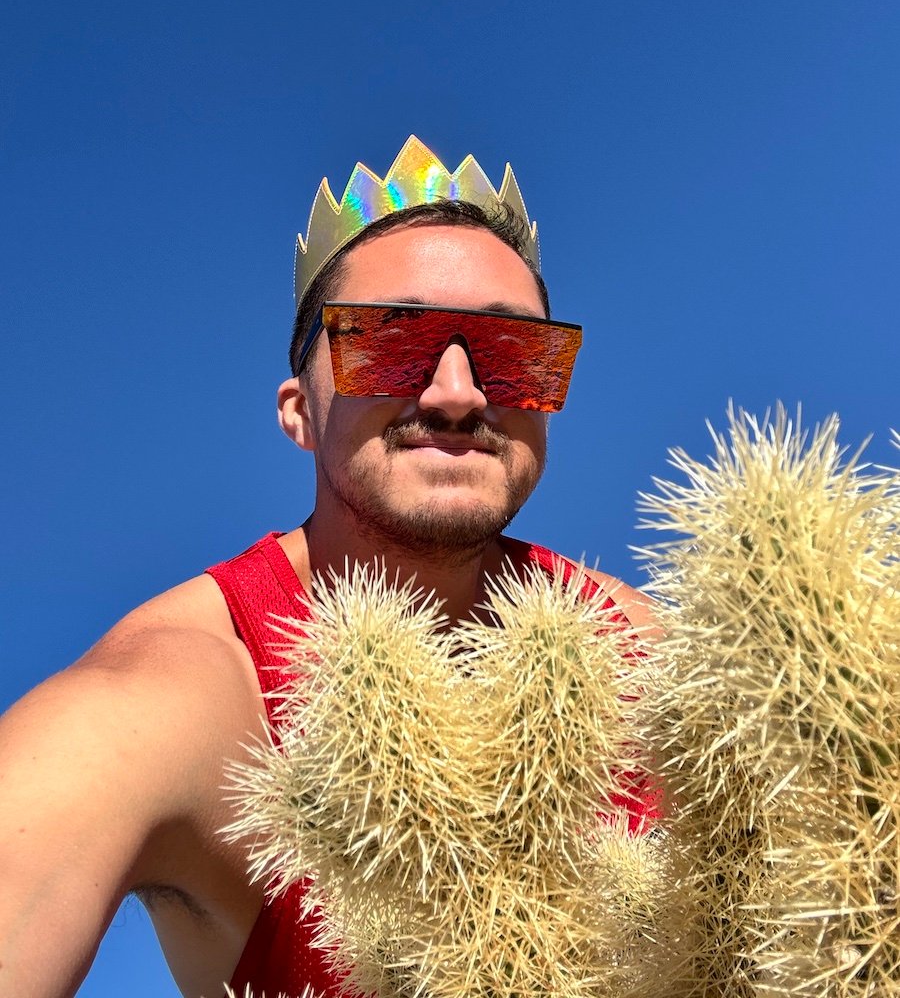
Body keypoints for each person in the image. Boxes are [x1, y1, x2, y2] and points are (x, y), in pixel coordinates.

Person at [0, 136, 657, 998]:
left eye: (511, 353)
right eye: (389, 342)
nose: (458, 392)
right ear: (299, 412)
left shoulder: (654, 657)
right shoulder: (186, 697)